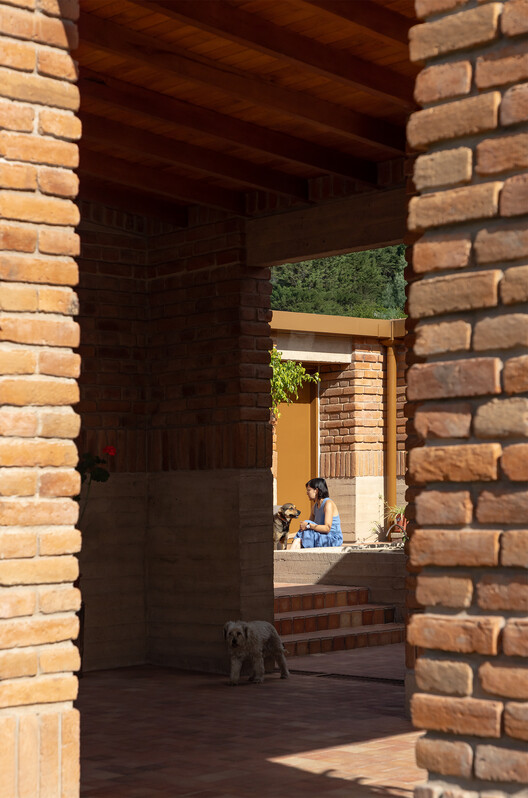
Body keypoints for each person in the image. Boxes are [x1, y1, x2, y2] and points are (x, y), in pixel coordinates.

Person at [293, 478, 343, 548]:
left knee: (306, 525)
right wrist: (288, 535)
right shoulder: (314, 507)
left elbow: (327, 528)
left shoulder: (328, 503)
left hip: (332, 539)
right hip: (320, 536)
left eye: (309, 490)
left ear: (316, 491)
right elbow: (306, 528)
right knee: (300, 538)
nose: (307, 493)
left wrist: (308, 525)